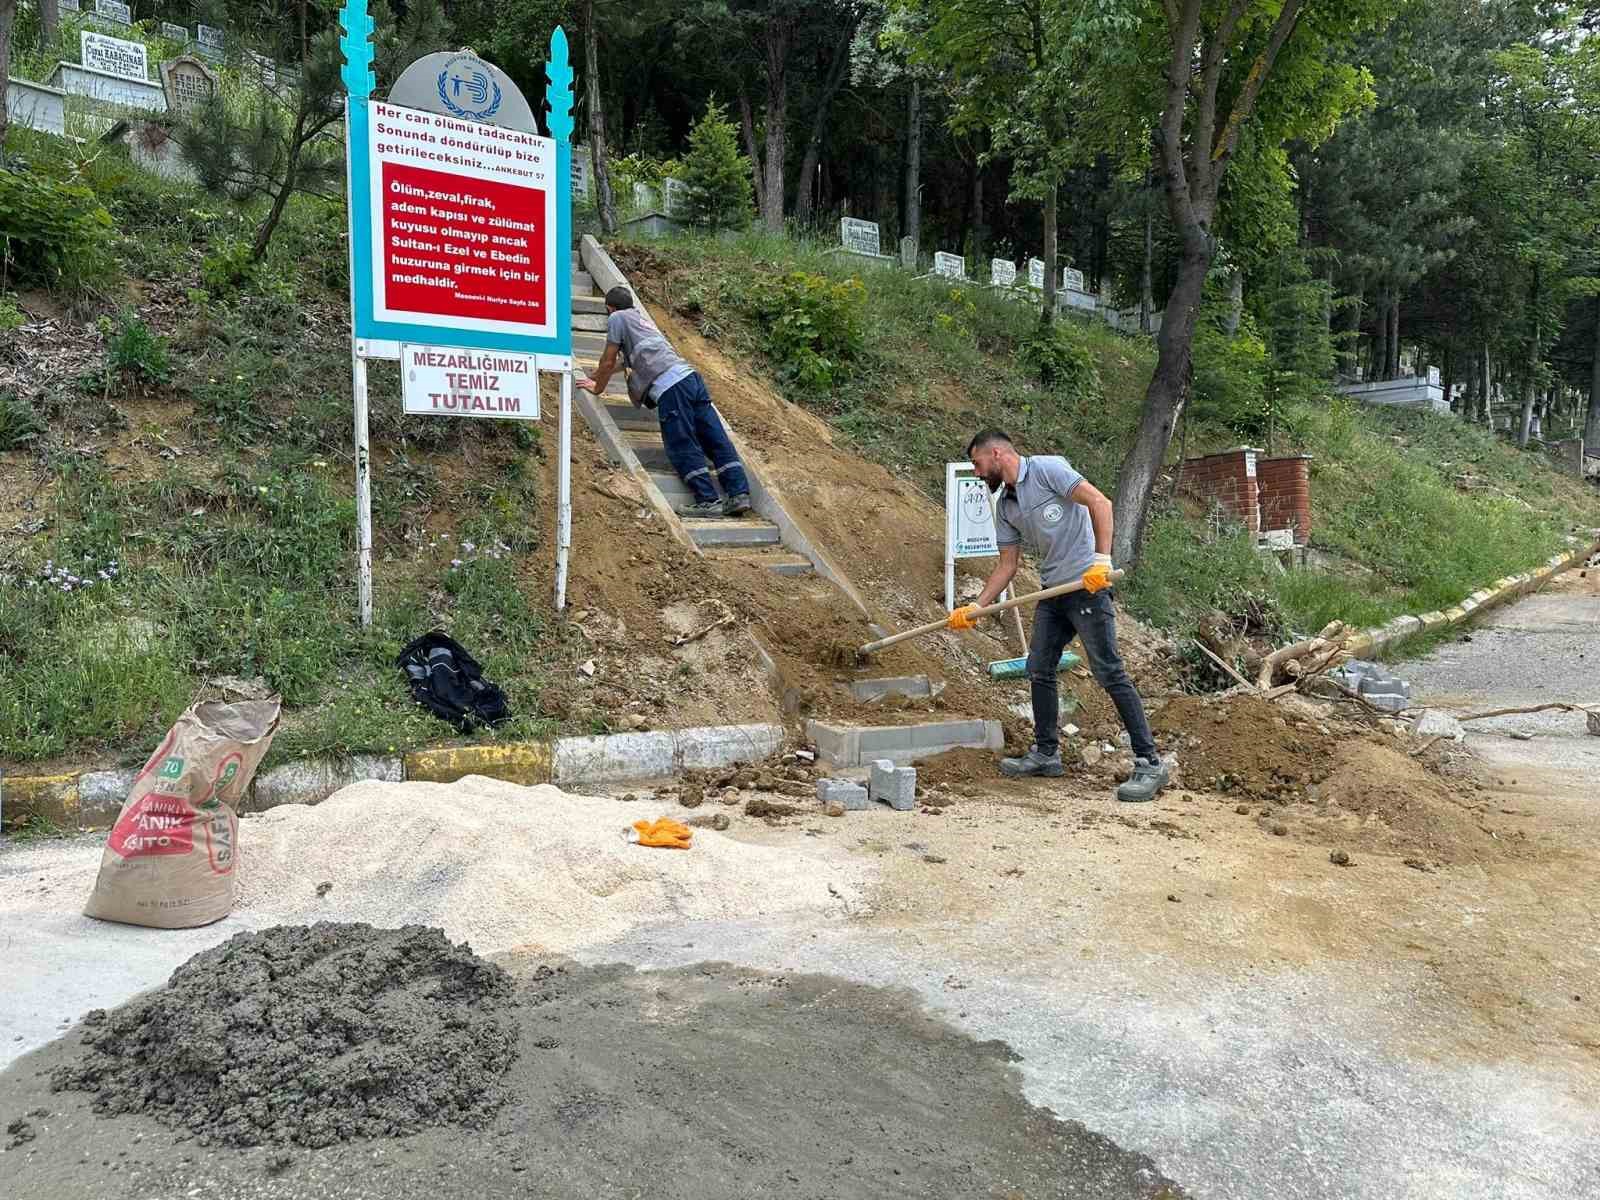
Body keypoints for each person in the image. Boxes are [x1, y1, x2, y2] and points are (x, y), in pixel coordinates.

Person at [948, 430, 1168, 803]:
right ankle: (1047, 753)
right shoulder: (1006, 506)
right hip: (1053, 593)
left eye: (978, 463)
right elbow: (1008, 565)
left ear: (997, 454)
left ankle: (1149, 762)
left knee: (1109, 672)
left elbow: (1101, 503)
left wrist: (1102, 561)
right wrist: (977, 606)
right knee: (1039, 667)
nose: (977, 472)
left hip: (1087, 585)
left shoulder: (1048, 470)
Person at [577, 288, 753, 518]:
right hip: (690, 378)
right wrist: (596, 374)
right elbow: (630, 360)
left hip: (671, 388)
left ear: (610, 308)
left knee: (681, 442)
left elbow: (609, 360)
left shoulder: (617, 318)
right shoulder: (640, 320)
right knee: (714, 437)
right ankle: (739, 494)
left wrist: (597, 387)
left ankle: (708, 500)